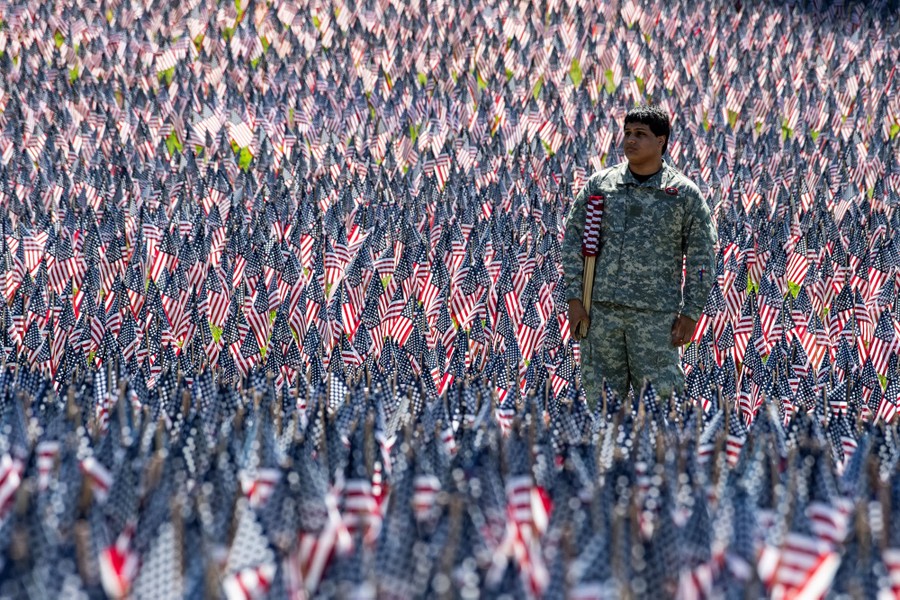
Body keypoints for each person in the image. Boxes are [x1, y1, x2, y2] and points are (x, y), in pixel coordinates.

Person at [562, 105, 717, 404]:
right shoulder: (601, 186)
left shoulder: (683, 194)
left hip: (656, 319)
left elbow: (702, 259)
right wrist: (575, 299)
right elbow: (573, 244)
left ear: (661, 141)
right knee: (601, 406)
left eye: (641, 134)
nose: (630, 140)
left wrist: (691, 312)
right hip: (601, 315)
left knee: (663, 405)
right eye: (628, 133)